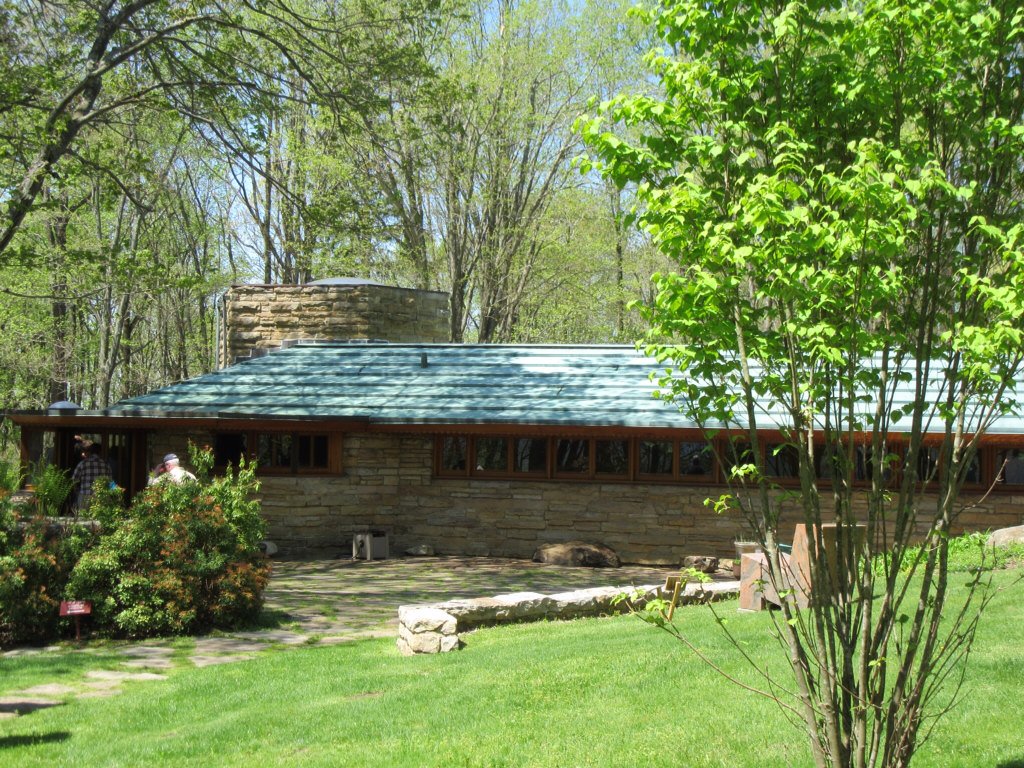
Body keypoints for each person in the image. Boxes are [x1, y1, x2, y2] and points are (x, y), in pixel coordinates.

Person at [71, 442, 111, 513]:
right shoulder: (106, 464)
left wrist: (77, 491)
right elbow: (110, 481)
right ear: (100, 452)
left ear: (90, 452)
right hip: (101, 497)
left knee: (83, 518)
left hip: (85, 496)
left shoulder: (82, 463)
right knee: (100, 518)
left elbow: (74, 480)